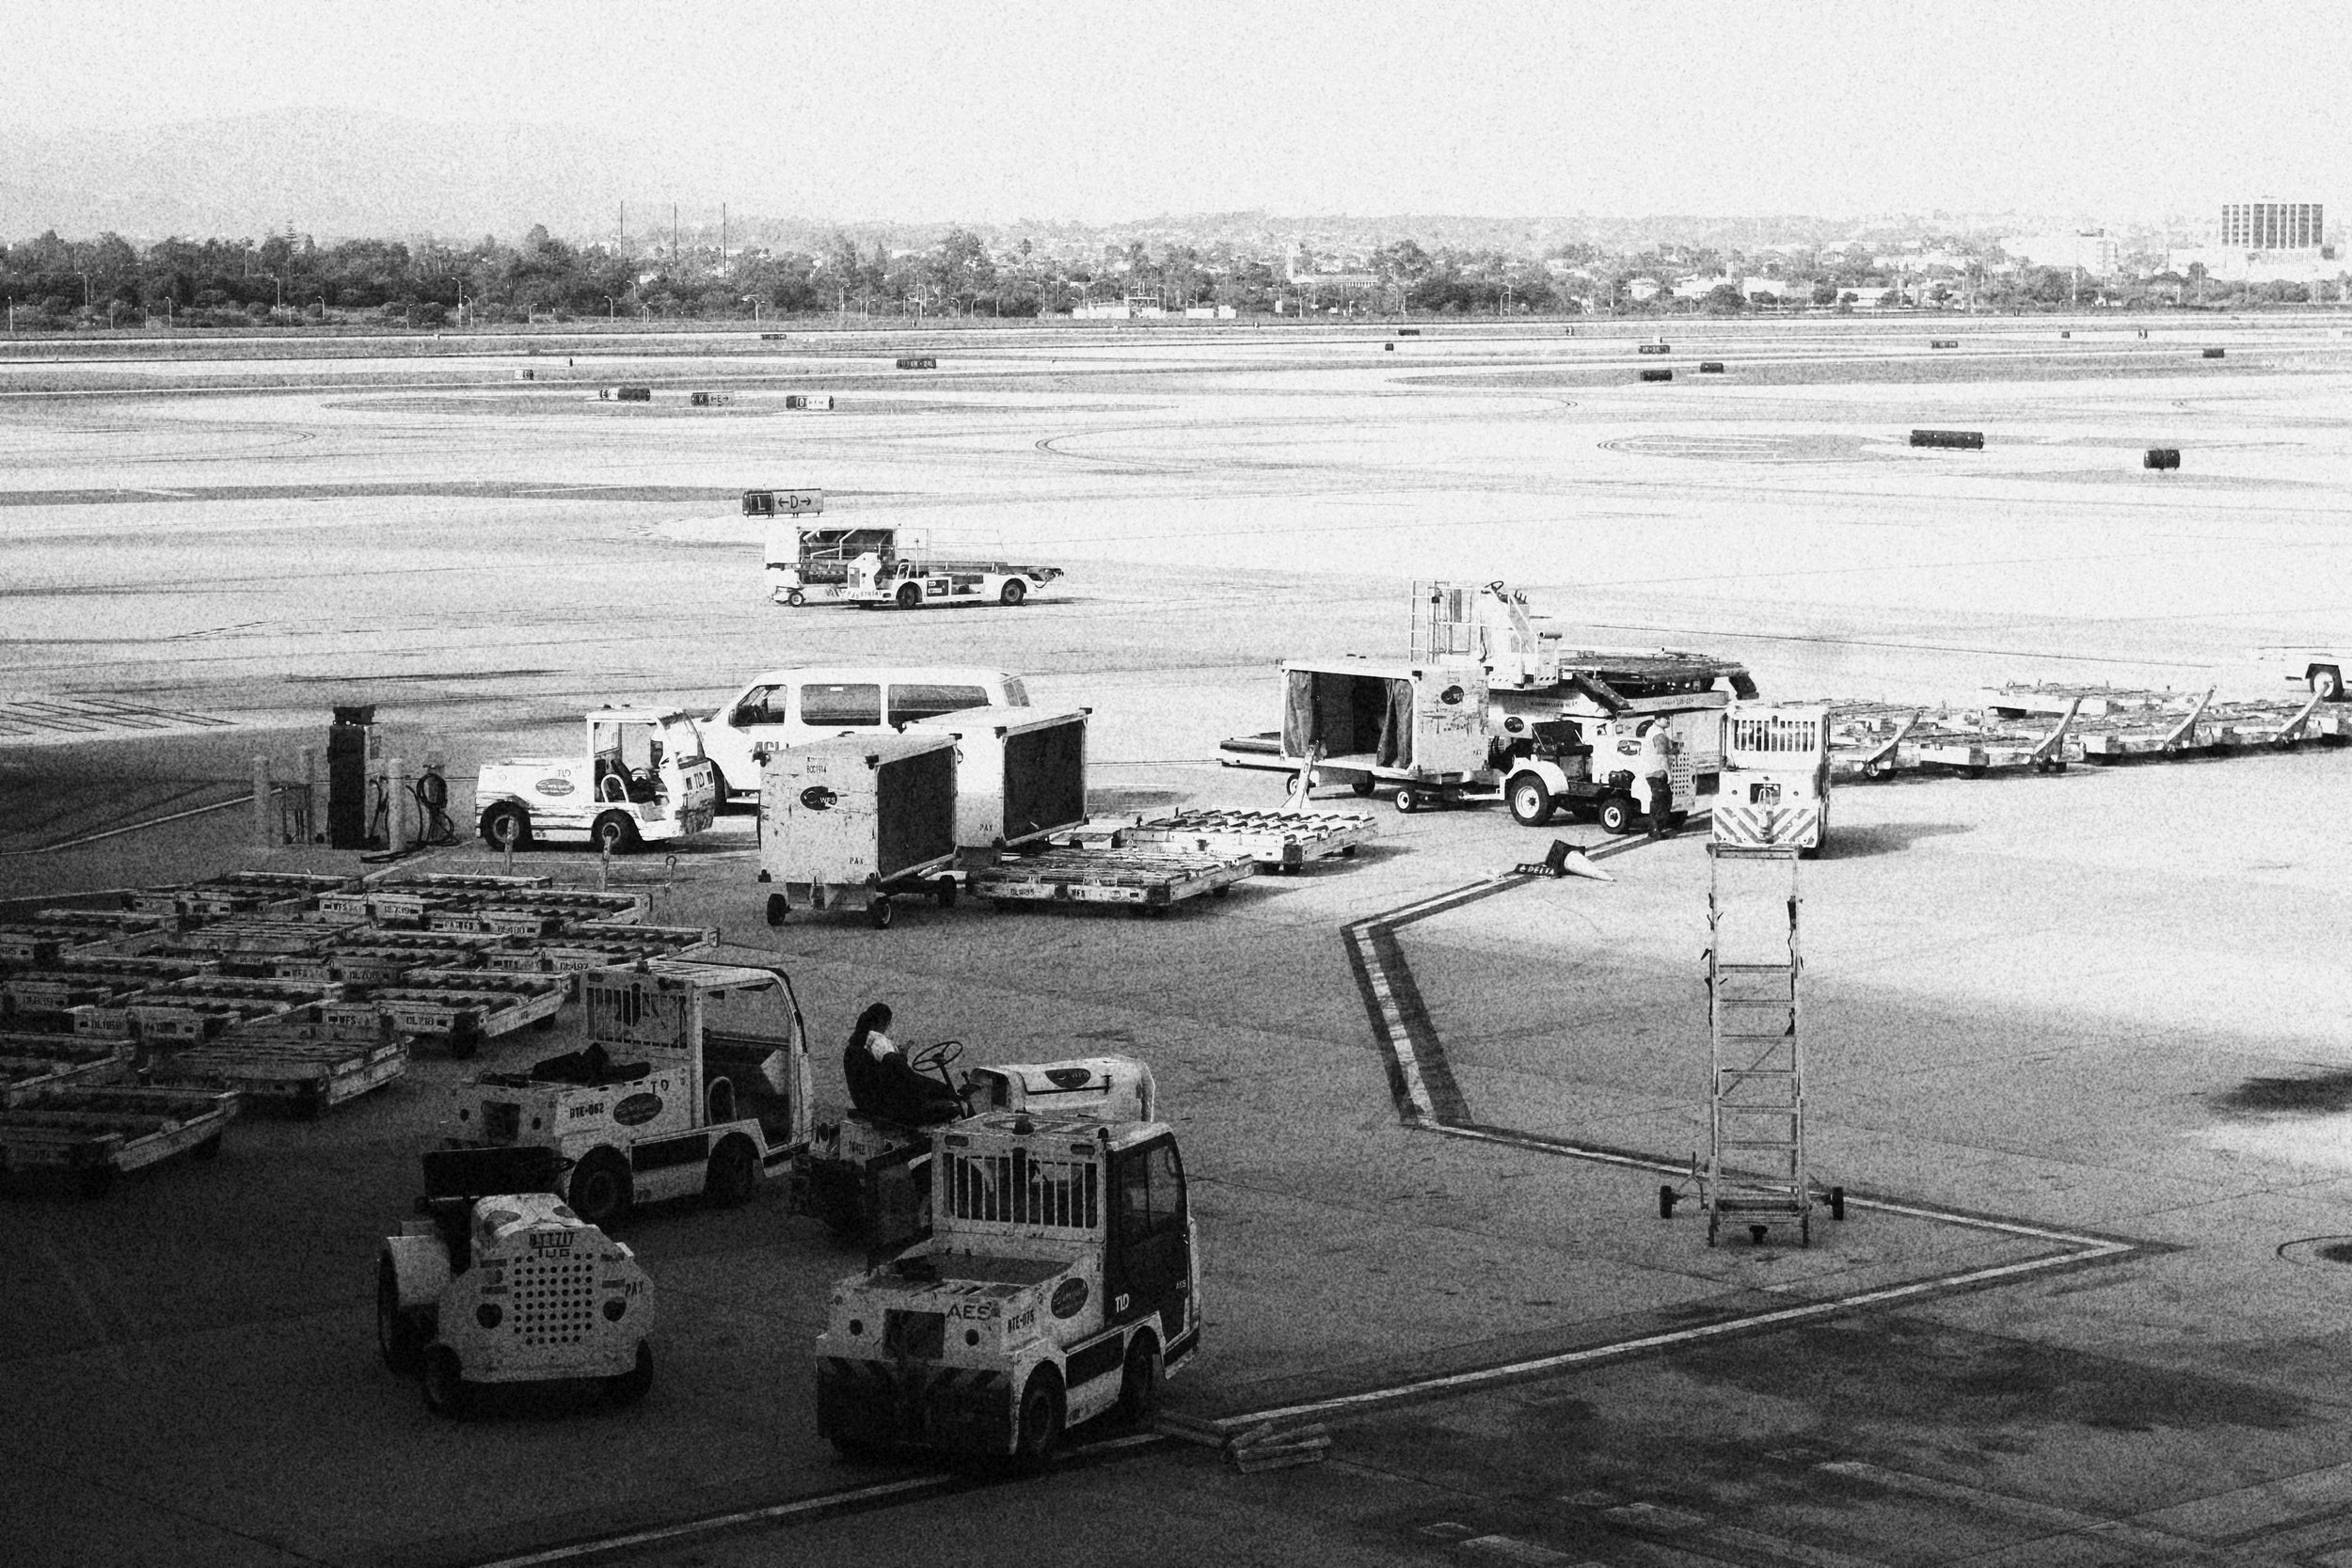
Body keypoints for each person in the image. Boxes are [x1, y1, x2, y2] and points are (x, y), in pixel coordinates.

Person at [842, 1003, 964, 1126]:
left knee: (934, 1088)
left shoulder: (855, 1046)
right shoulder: (879, 1043)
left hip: (868, 1102)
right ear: (884, 1023)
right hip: (891, 1105)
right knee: (947, 1094)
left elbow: (888, 1071)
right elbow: (904, 1075)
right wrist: (902, 1057)